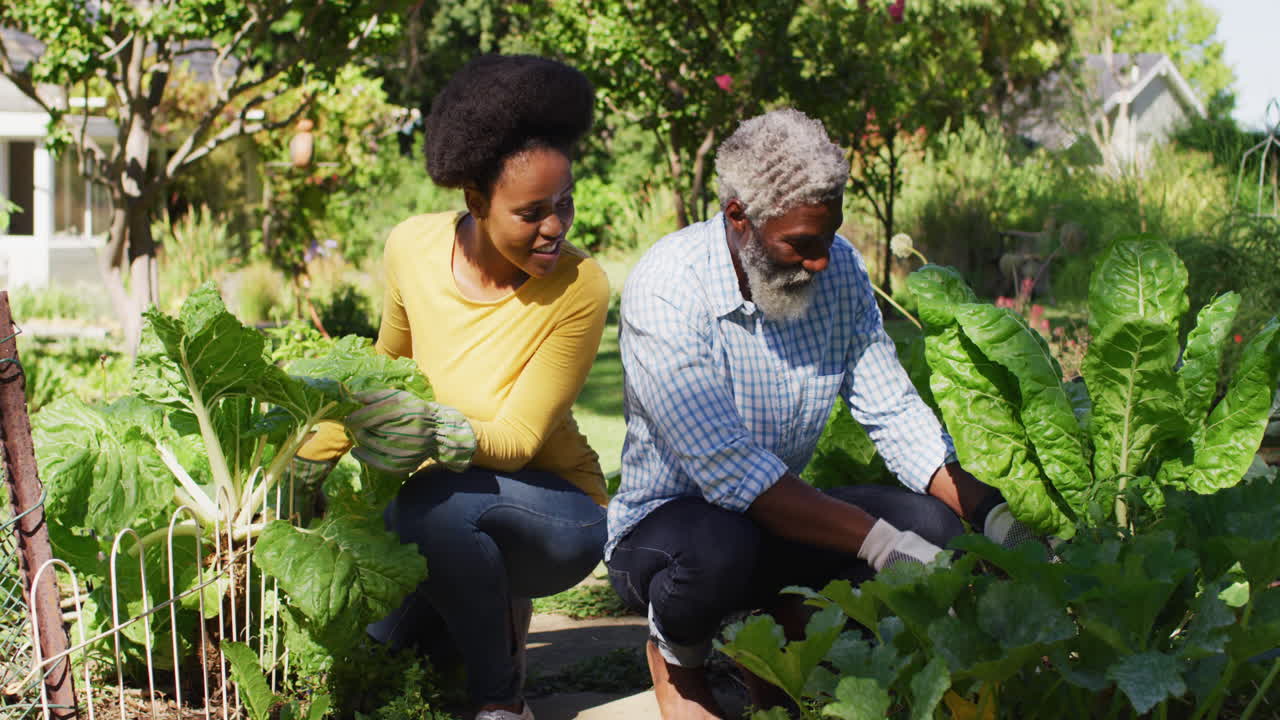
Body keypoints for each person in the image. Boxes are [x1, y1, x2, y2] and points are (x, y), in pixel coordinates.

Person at [605, 108, 1034, 719]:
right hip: (669, 533)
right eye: (801, 245)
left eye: (829, 237)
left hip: (779, 519)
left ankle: (770, 649)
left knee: (939, 528)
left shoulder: (840, 275)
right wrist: (881, 544)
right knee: (717, 549)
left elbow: (894, 414)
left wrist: (996, 519)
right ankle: (679, 660)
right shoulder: (668, 286)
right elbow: (731, 472)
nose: (821, 262)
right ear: (738, 218)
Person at [291, 55, 610, 720]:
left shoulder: (580, 286)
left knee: (430, 504)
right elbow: (380, 371)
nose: (555, 227)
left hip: (558, 514)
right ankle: (485, 618)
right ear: (475, 201)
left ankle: (502, 703)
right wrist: (300, 472)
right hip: (441, 513)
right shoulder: (411, 247)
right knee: (374, 658)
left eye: (565, 204)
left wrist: (429, 426)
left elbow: (520, 440)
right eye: (531, 212)